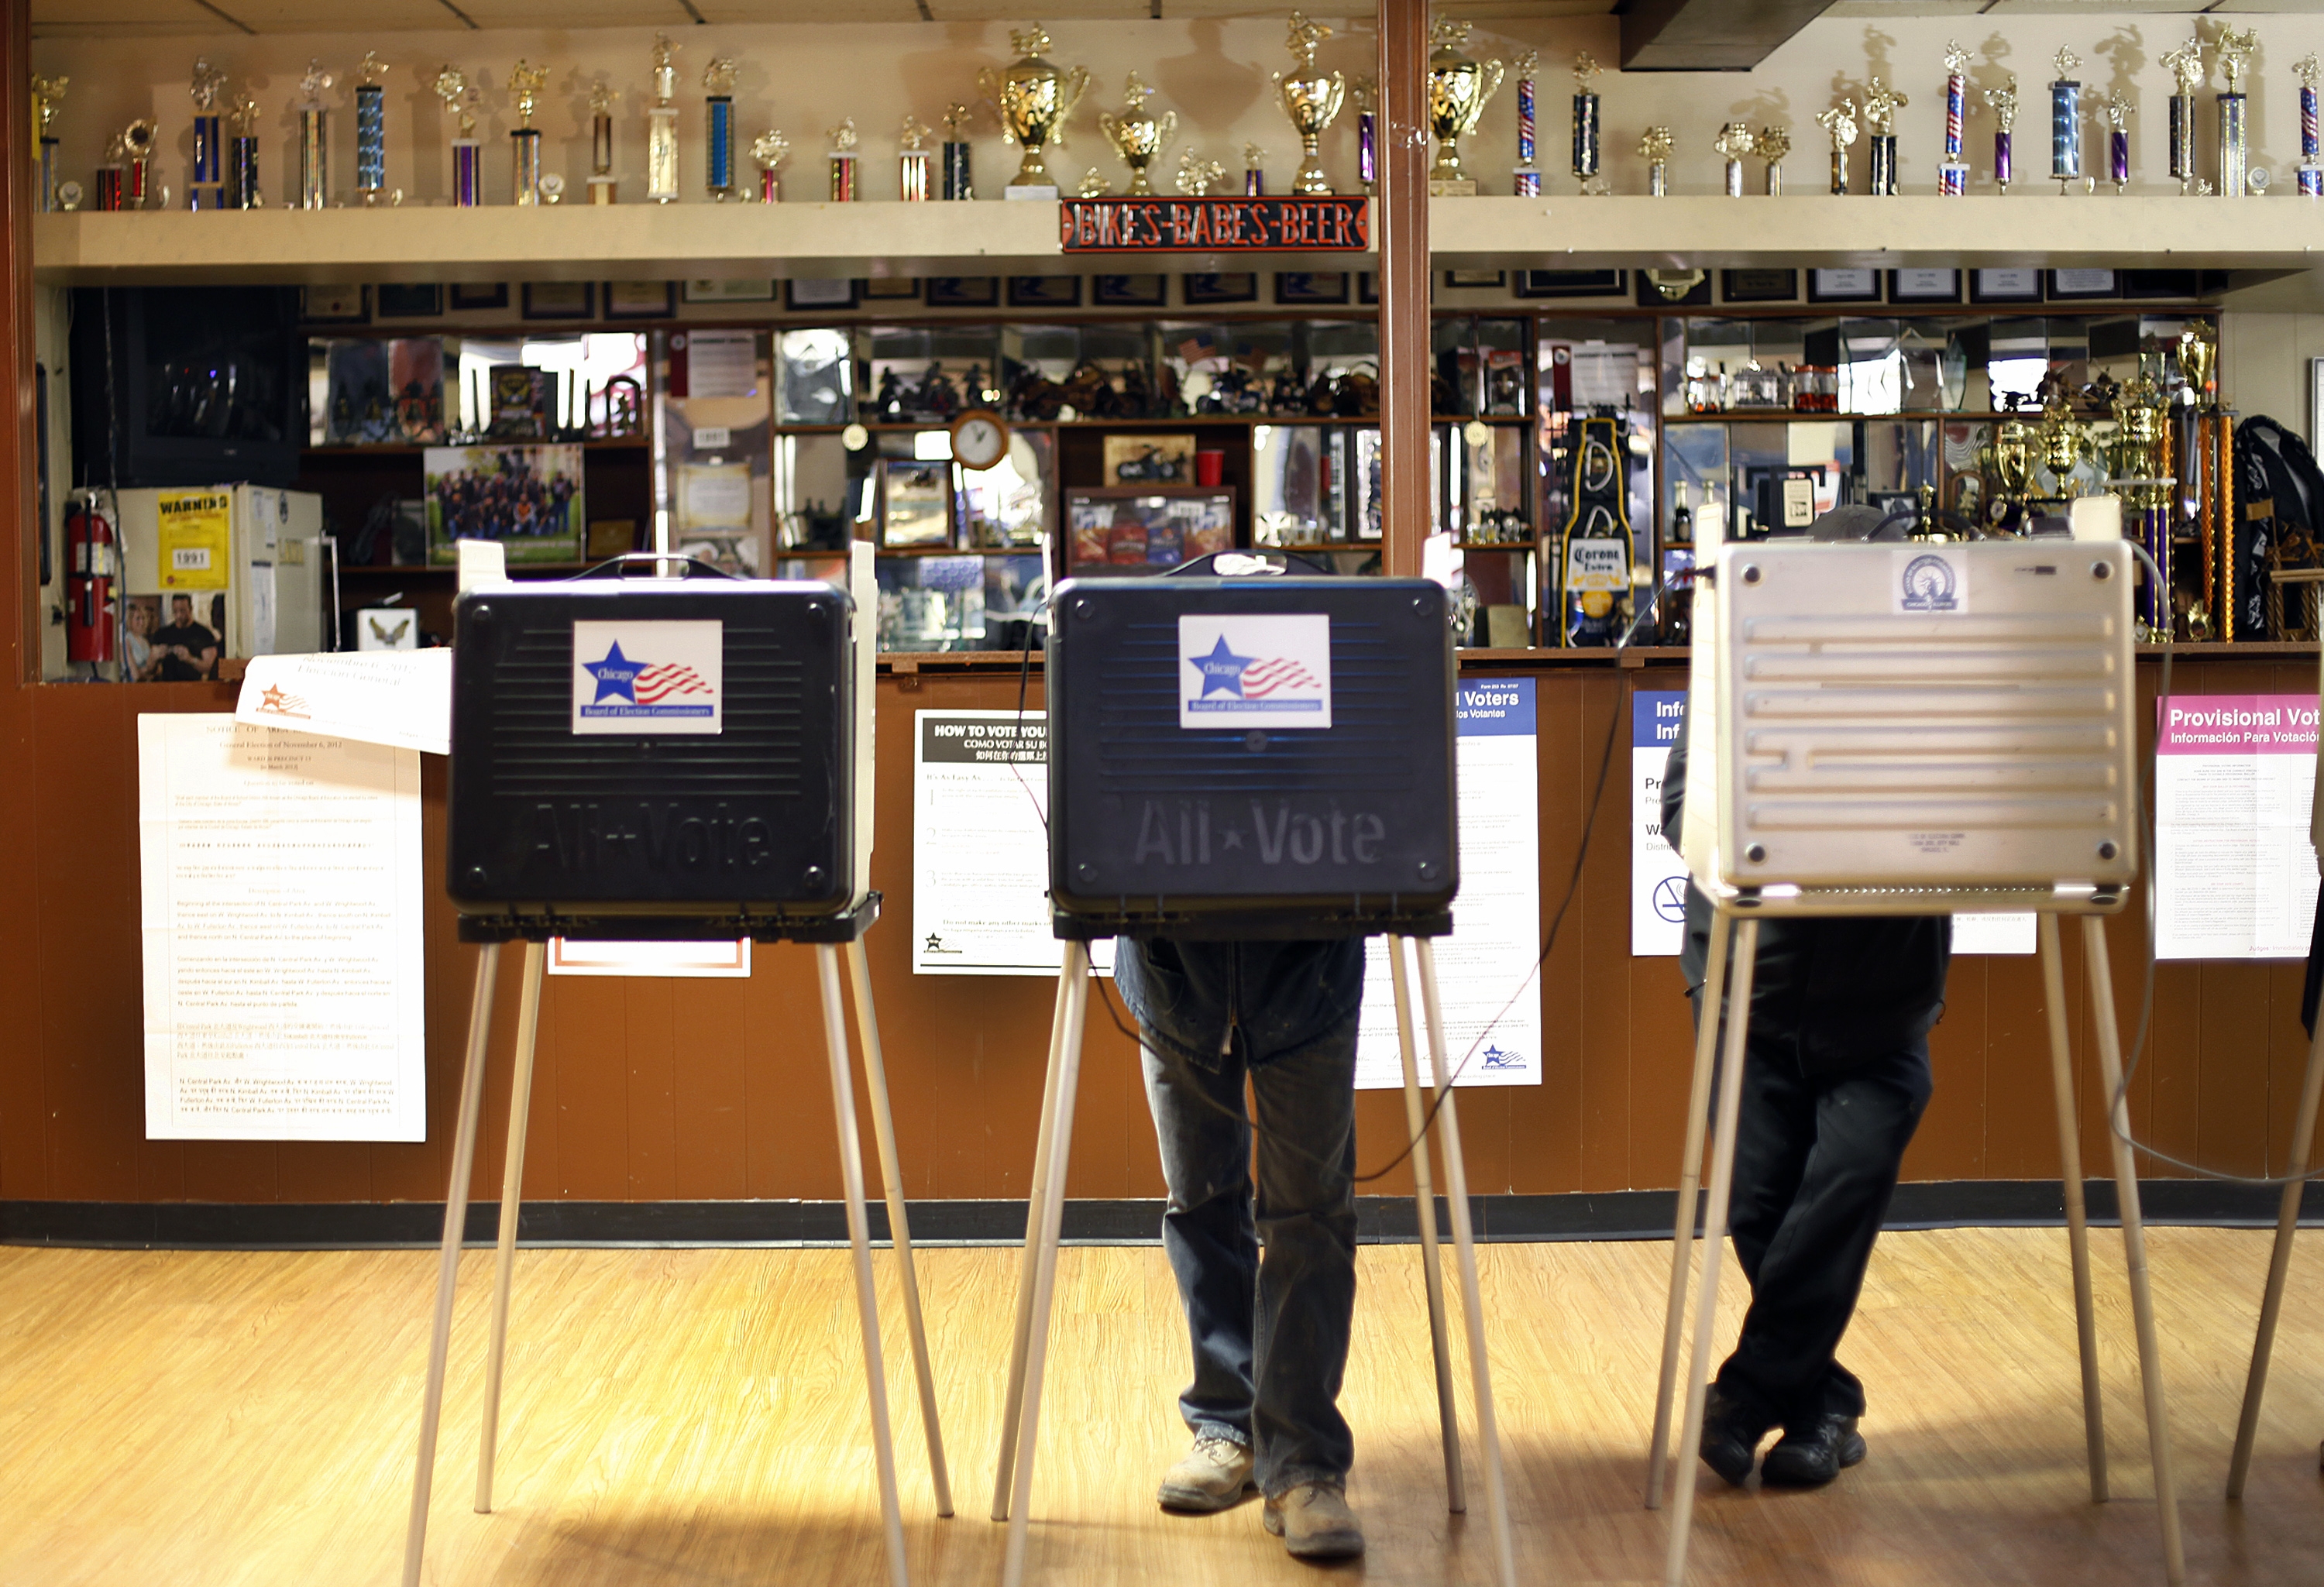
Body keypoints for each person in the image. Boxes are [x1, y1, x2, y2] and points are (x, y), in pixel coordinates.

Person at [1657, 503, 1950, 1489]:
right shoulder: (1737, 660)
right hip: (1749, 992)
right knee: (1757, 1210)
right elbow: (1679, 811)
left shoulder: (1939, 686)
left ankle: (1747, 1395)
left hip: (1882, 1005)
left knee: (1837, 1196)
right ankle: (1824, 1404)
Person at [1114, 934, 1367, 1559]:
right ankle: (1229, 1420)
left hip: (1308, 964)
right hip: (1175, 965)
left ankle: (1304, 1460)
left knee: (1310, 1211)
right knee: (1200, 1198)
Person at [150, 593, 219, 682]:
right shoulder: (162, 634)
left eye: (182, 611)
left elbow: (209, 667)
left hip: (193, 685)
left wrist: (190, 659)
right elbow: (149, 668)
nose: (179, 615)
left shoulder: (204, 634)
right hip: (167, 686)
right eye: (175, 611)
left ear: (190, 609)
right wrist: (155, 657)